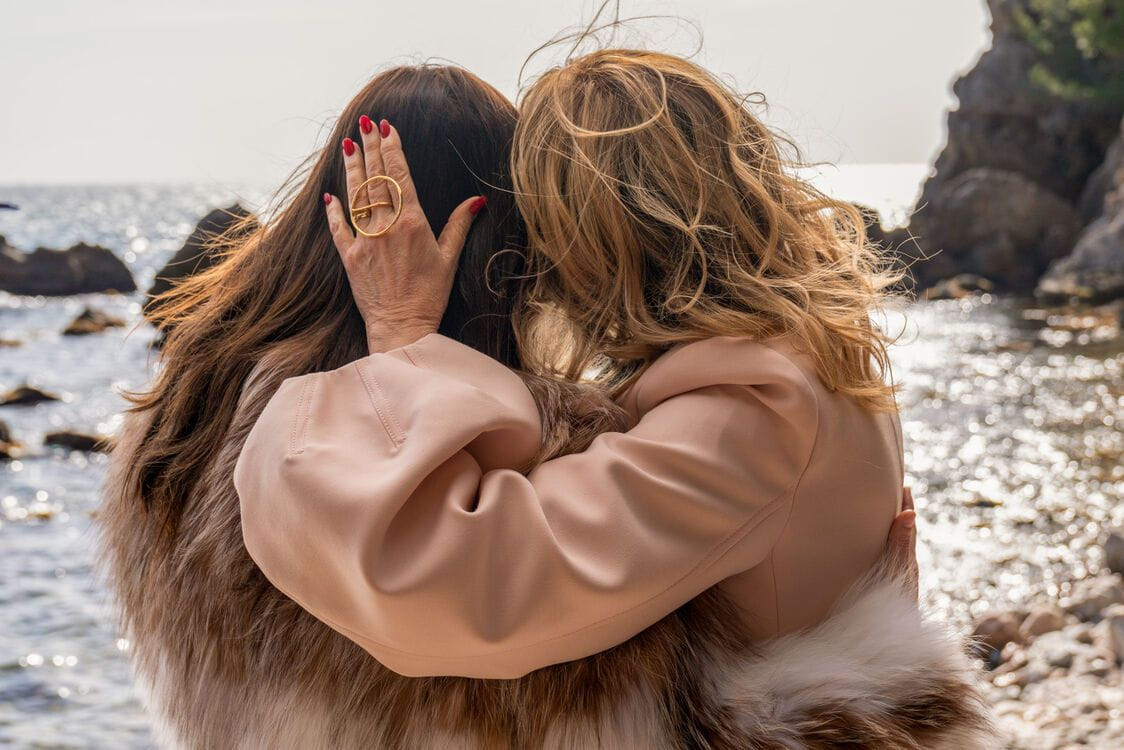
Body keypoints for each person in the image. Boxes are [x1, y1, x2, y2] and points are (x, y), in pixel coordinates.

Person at [233, 51, 995, 746]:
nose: (532, 262)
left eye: (540, 225)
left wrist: (402, 342)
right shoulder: (796, 355)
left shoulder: (756, 410)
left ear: (603, 236)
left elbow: (462, 586)